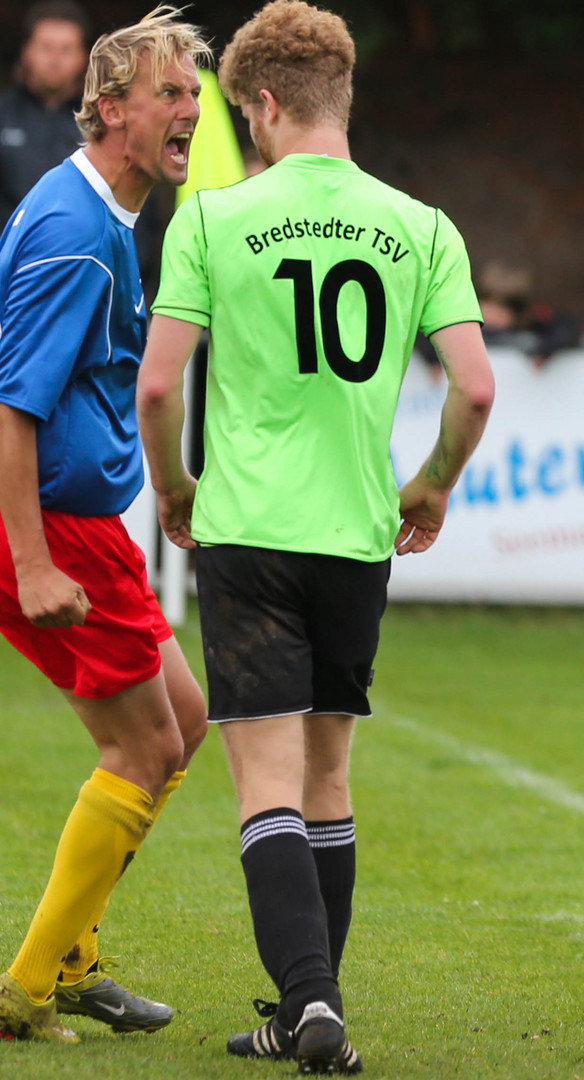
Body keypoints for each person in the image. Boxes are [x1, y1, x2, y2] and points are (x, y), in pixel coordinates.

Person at [136, 1, 493, 1072]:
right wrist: (429, 485)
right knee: (328, 779)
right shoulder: (422, 225)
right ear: (343, 99)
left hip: (247, 528)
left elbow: (159, 385)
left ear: (262, 104)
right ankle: (306, 1009)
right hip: (354, 534)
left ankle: (310, 1005)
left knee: (264, 788)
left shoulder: (214, 220)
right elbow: (474, 386)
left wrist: (174, 488)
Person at [0, 7, 210, 1043]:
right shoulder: (78, 233)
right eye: (170, 92)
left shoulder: (108, 216)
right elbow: (14, 403)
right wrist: (32, 559)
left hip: (83, 524)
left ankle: (73, 952)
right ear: (111, 107)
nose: (191, 107)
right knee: (146, 746)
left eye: (195, 91)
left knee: (183, 721)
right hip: (48, 529)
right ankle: (28, 987)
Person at [0, 1, 91, 226]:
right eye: (46, 47)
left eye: (66, 49)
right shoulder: (3, 114)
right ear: (26, 52)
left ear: (84, 57)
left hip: (78, 256)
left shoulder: (100, 123)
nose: (55, 60)